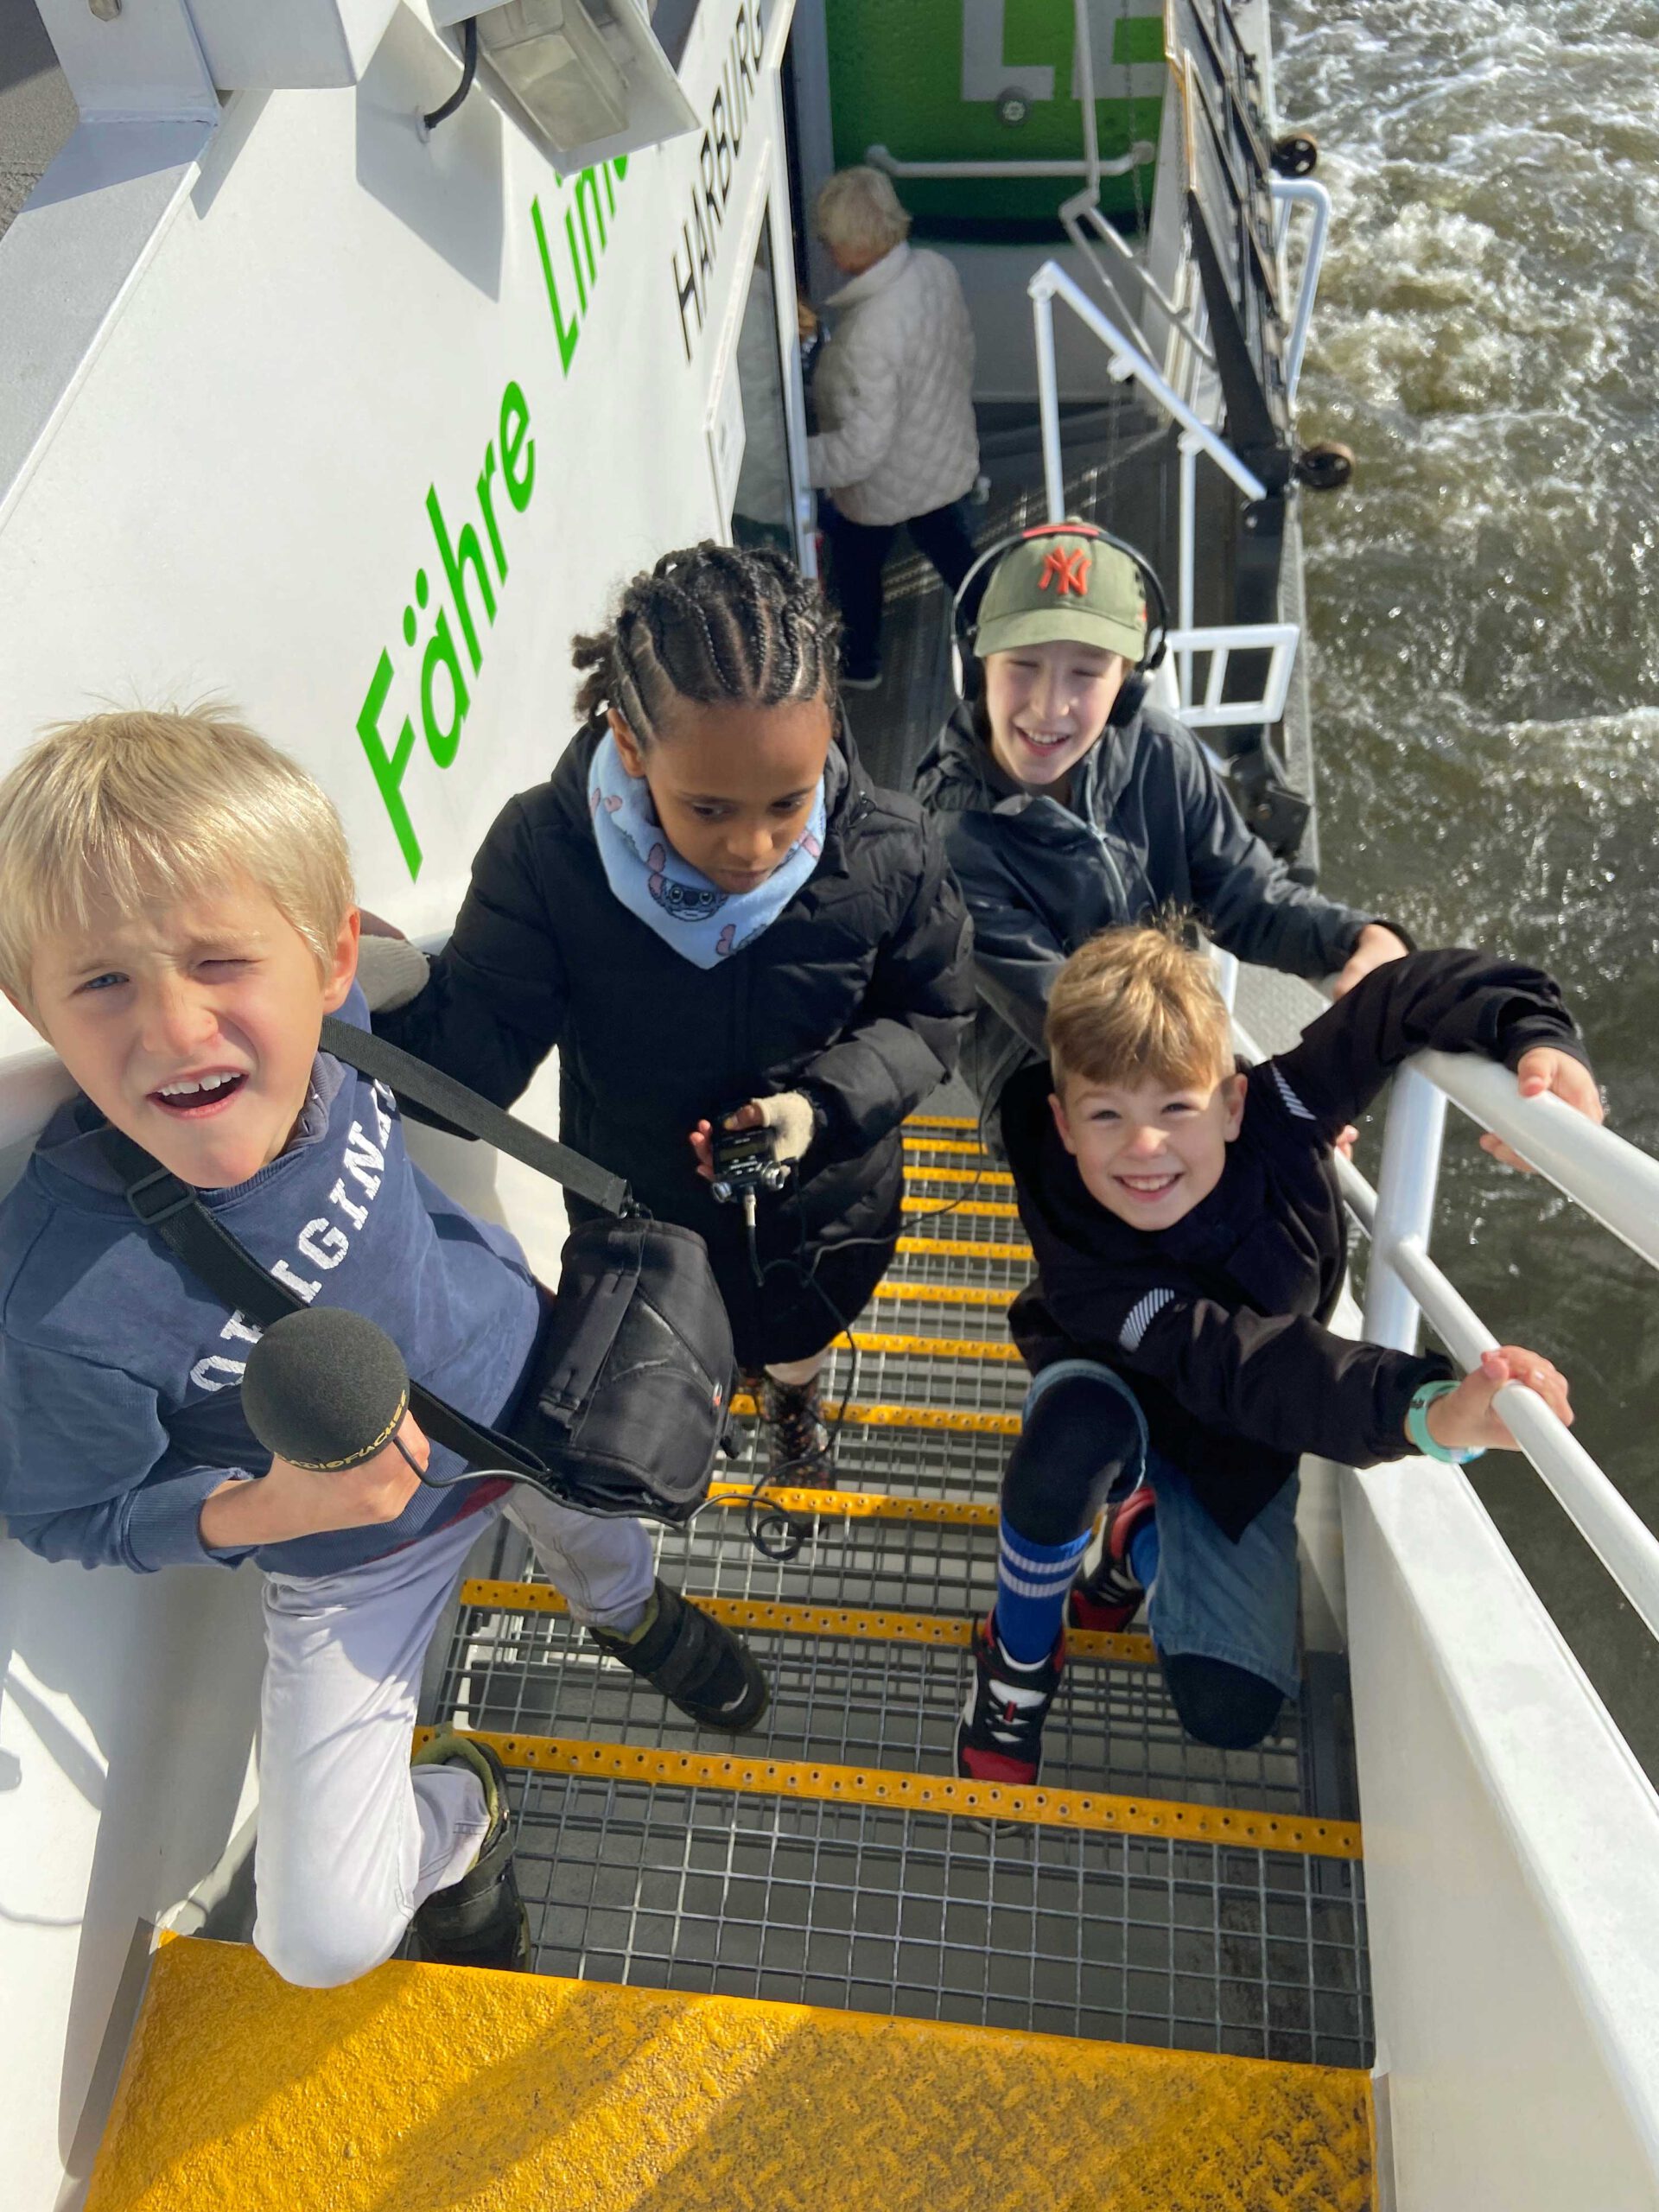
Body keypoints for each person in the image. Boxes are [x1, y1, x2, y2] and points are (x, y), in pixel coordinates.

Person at [0, 709, 769, 1988]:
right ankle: (461, 1820)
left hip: (534, 1399)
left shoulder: (341, 1015)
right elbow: (75, 1511)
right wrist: (263, 1508)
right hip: (349, 1561)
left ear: (326, 957)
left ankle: (631, 1614)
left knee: (606, 1542)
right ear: (31, 1003)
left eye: (221, 963)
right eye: (103, 982)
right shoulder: (60, 1294)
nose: (178, 1031)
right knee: (319, 1942)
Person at [369, 543, 973, 1482]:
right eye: (709, 807)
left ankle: (792, 1402)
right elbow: (470, 1070)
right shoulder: (546, 854)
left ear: (827, 736)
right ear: (629, 742)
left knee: (800, 1337)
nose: (755, 846)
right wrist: (353, 1005)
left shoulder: (890, 851)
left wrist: (814, 1112)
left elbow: (933, 1014)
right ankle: (724, 1402)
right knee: (684, 1356)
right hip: (649, 1215)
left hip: (824, 1215)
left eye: (789, 799)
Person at [957, 925, 1602, 1782]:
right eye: (1106, 1113)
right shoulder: (1087, 1250)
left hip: (1235, 1441)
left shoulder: (1284, 1109)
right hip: (1118, 1387)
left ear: (1231, 1102)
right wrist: (1425, 1406)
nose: (1143, 1147)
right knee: (1065, 1446)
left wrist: (1537, 1037)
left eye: (1175, 1109)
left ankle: (1134, 1539)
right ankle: (1016, 1661)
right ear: (1063, 1124)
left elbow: (1406, 996)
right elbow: (1249, 1362)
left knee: (1230, 1709)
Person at [915, 520, 1414, 1135]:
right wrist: (1245, 1096)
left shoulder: (1160, 755)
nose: (1049, 707)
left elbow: (1249, 899)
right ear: (974, 665)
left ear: (1130, 683)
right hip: (1051, 1091)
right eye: (1022, 664)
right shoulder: (951, 836)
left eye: (1087, 672)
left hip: (1173, 1065)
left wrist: (1359, 938)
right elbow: (1071, 1017)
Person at [806, 166, 980, 687]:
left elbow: (859, 454)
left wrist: (791, 457)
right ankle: (998, 625)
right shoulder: (935, 269)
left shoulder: (867, 333)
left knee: (857, 565)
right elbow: (961, 353)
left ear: (848, 245)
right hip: (943, 452)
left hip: (882, 487)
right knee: (953, 549)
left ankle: (862, 662)